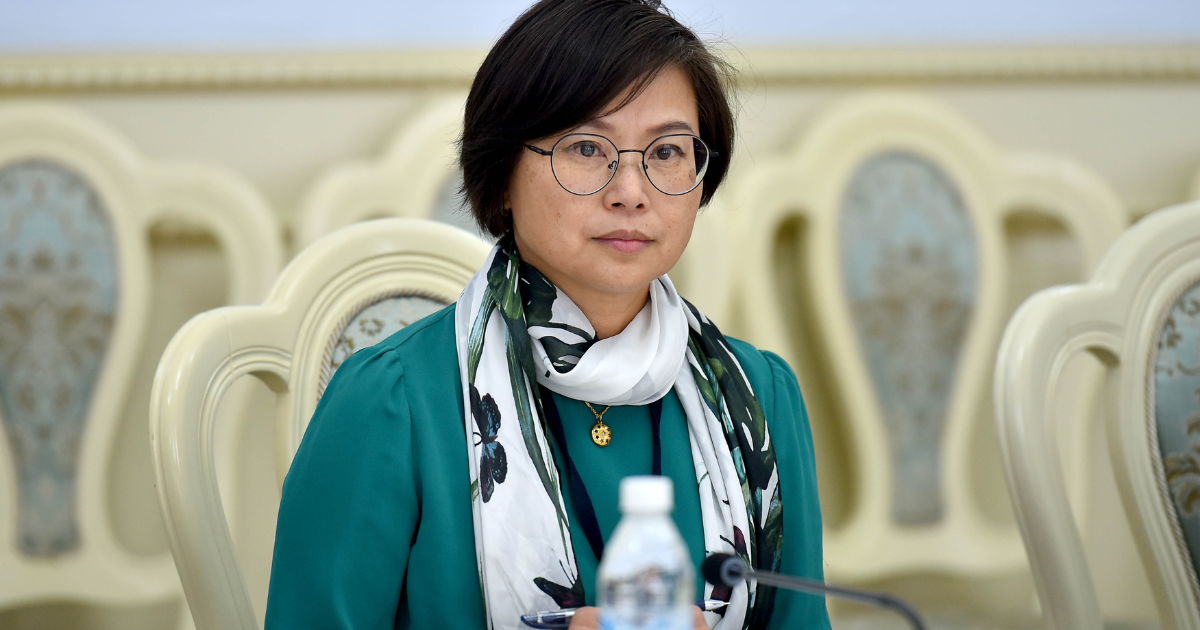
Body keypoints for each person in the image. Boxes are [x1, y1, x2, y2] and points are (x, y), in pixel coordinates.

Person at [264, 1, 830, 629]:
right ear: (503, 174)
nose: (631, 192)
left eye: (668, 152)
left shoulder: (759, 398)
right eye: (586, 147)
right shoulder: (391, 403)